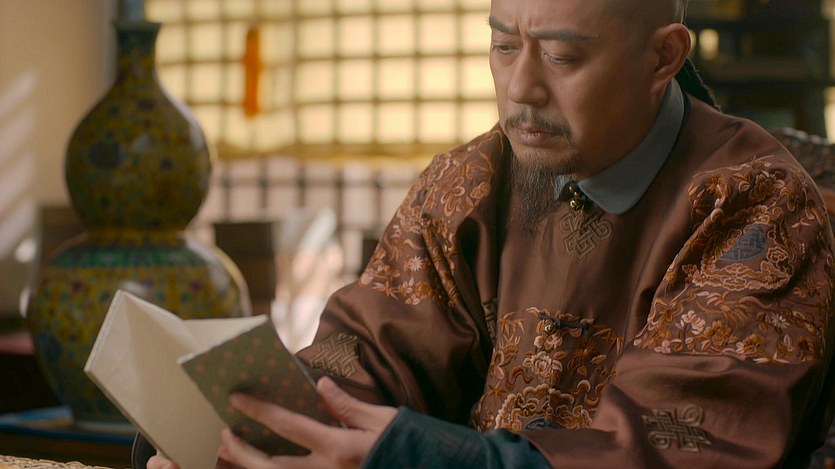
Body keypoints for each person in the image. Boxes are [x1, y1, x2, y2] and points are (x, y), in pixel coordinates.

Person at [150, 0, 835, 467]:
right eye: (504, 46)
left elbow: (678, 446)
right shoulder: (469, 180)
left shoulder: (755, 206)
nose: (520, 88)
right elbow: (363, 358)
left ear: (662, 58)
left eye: (562, 57)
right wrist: (240, 434)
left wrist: (410, 457)